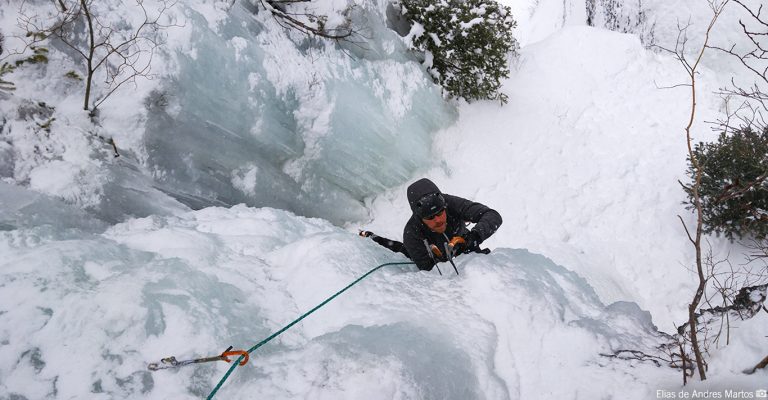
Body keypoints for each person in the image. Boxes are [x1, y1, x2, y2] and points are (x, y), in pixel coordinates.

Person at [360, 178, 502, 272]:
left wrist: (474, 237)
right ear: (420, 217)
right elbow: (430, 271)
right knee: (403, 250)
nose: (437, 220)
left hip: (468, 250)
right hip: (437, 257)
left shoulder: (450, 203)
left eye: (440, 213)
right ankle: (371, 237)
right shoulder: (412, 233)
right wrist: (443, 259)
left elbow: (492, 216)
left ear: (444, 205)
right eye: (430, 217)